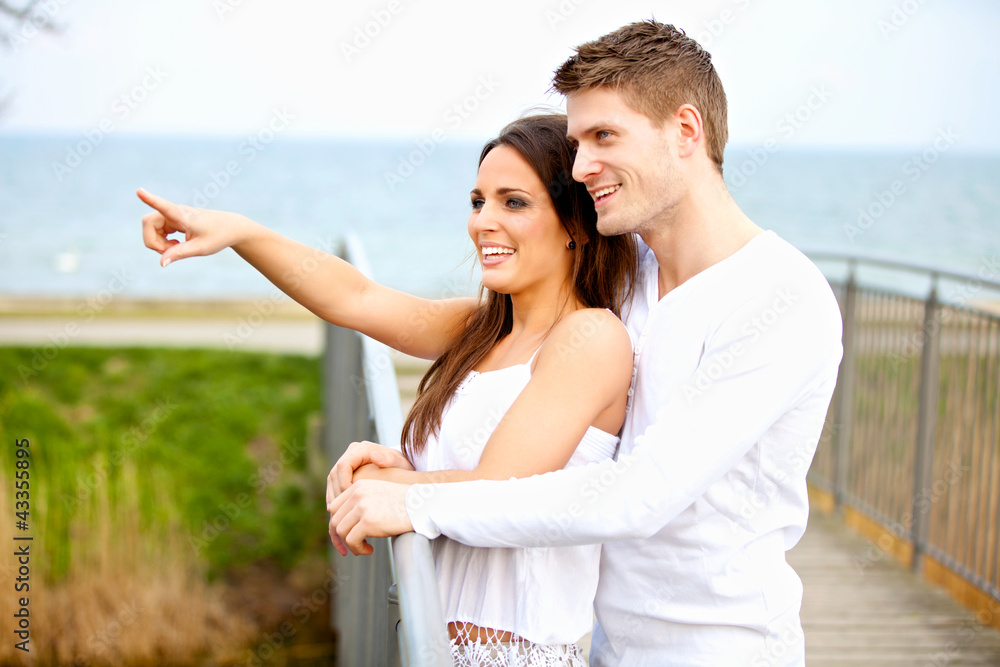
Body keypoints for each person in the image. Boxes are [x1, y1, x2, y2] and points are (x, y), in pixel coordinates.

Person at [327, 20, 844, 667]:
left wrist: (421, 498)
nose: (580, 166)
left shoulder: (780, 296)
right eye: (575, 142)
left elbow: (640, 494)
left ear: (687, 131)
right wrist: (417, 466)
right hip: (601, 644)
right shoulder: (629, 277)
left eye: (604, 136)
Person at [138, 113, 640, 665]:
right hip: (429, 643)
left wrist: (394, 484)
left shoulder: (592, 336)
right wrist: (240, 232)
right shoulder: (480, 330)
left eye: (513, 202)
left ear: (576, 223)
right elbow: (354, 298)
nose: (483, 223)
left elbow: (500, 487)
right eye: (478, 202)